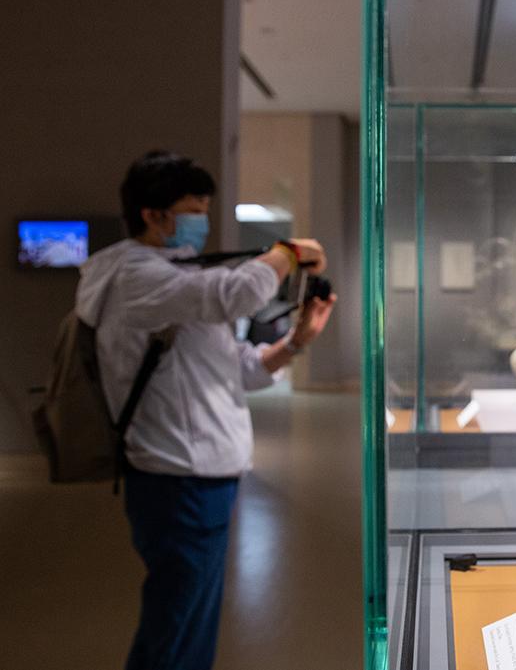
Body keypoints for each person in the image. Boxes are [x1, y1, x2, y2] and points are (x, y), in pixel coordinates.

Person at [75, 151, 336, 670]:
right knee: (174, 628)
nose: (202, 222)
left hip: (199, 476)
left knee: (190, 623)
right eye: (193, 211)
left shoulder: (171, 279)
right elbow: (235, 293)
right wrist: (286, 251)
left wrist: (295, 343)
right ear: (153, 215)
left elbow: (236, 367)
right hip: (178, 477)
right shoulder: (134, 276)